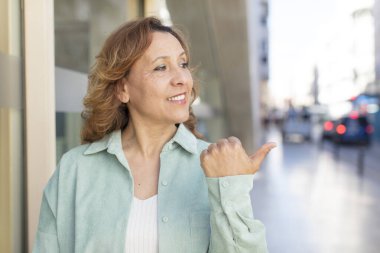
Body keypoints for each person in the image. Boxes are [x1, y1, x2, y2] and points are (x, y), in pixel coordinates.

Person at [33, 17, 276, 253]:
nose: (182, 79)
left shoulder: (214, 166)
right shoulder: (75, 169)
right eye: (161, 67)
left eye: (183, 64)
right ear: (122, 88)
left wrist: (229, 186)